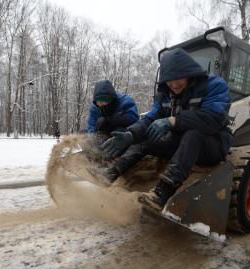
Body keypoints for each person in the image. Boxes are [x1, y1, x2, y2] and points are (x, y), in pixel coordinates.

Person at [94, 48, 234, 210]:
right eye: (169, 80)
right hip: (179, 142)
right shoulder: (166, 94)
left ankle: (162, 193)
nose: (173, 85)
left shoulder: (214, 85)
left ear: (189, 73)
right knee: (147, 137)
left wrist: (174, 121)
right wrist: (130, 134)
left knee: (193, 134)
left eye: (178, 79)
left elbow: (214, 118)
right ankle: (110, 173)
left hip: (212, 144)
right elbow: (150, 118)